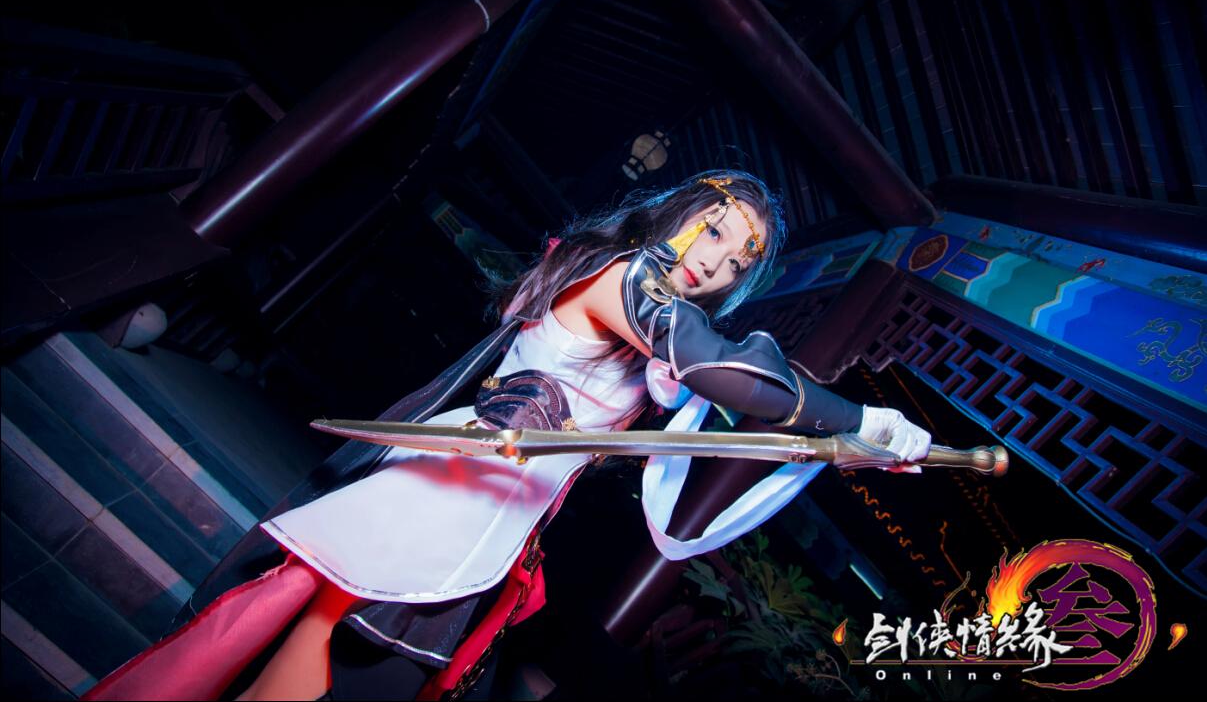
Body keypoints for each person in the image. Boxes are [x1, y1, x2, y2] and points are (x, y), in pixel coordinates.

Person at [85, 169, 931, 702]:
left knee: (320, 645)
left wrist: (844, 441)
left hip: (487, 512)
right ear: (680, 212)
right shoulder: (626, 279)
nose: (717, 262)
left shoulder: (653, 318)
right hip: (448, 498)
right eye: (714, 230)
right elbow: (725, 369)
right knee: (328, 651)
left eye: (739, 260)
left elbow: (706, 380)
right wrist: (864, 419)